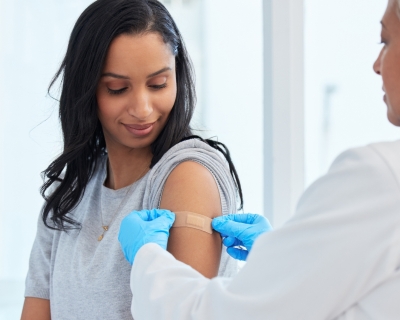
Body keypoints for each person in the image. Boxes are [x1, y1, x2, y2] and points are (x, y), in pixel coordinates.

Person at [118, 0, 400, 319]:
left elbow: (214, 315)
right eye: (116, 87)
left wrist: (148, 258)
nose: (377, 64)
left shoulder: (383, 177)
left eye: (386, 41)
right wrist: (285, 261)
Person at [21, 0, 243, 319]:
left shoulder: (187, 175)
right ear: (87, 89)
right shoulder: (68, 194)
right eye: (117, 88)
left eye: (158, 84)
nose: (142, 109)